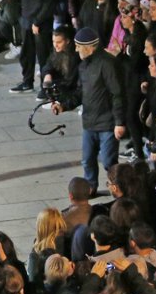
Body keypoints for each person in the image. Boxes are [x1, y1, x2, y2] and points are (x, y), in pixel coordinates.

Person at [51, 26, 126, 186]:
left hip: (107, 122)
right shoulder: (84, 66)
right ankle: (91, 187)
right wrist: (63, 105)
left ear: (90, 47)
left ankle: (119, 187)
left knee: (108, 161)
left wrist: (119, 122)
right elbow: (80, 92)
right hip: (89, 122)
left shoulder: (108, 64)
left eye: (79, 46)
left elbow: (117, 94)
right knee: (87, 160)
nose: (76, 49)